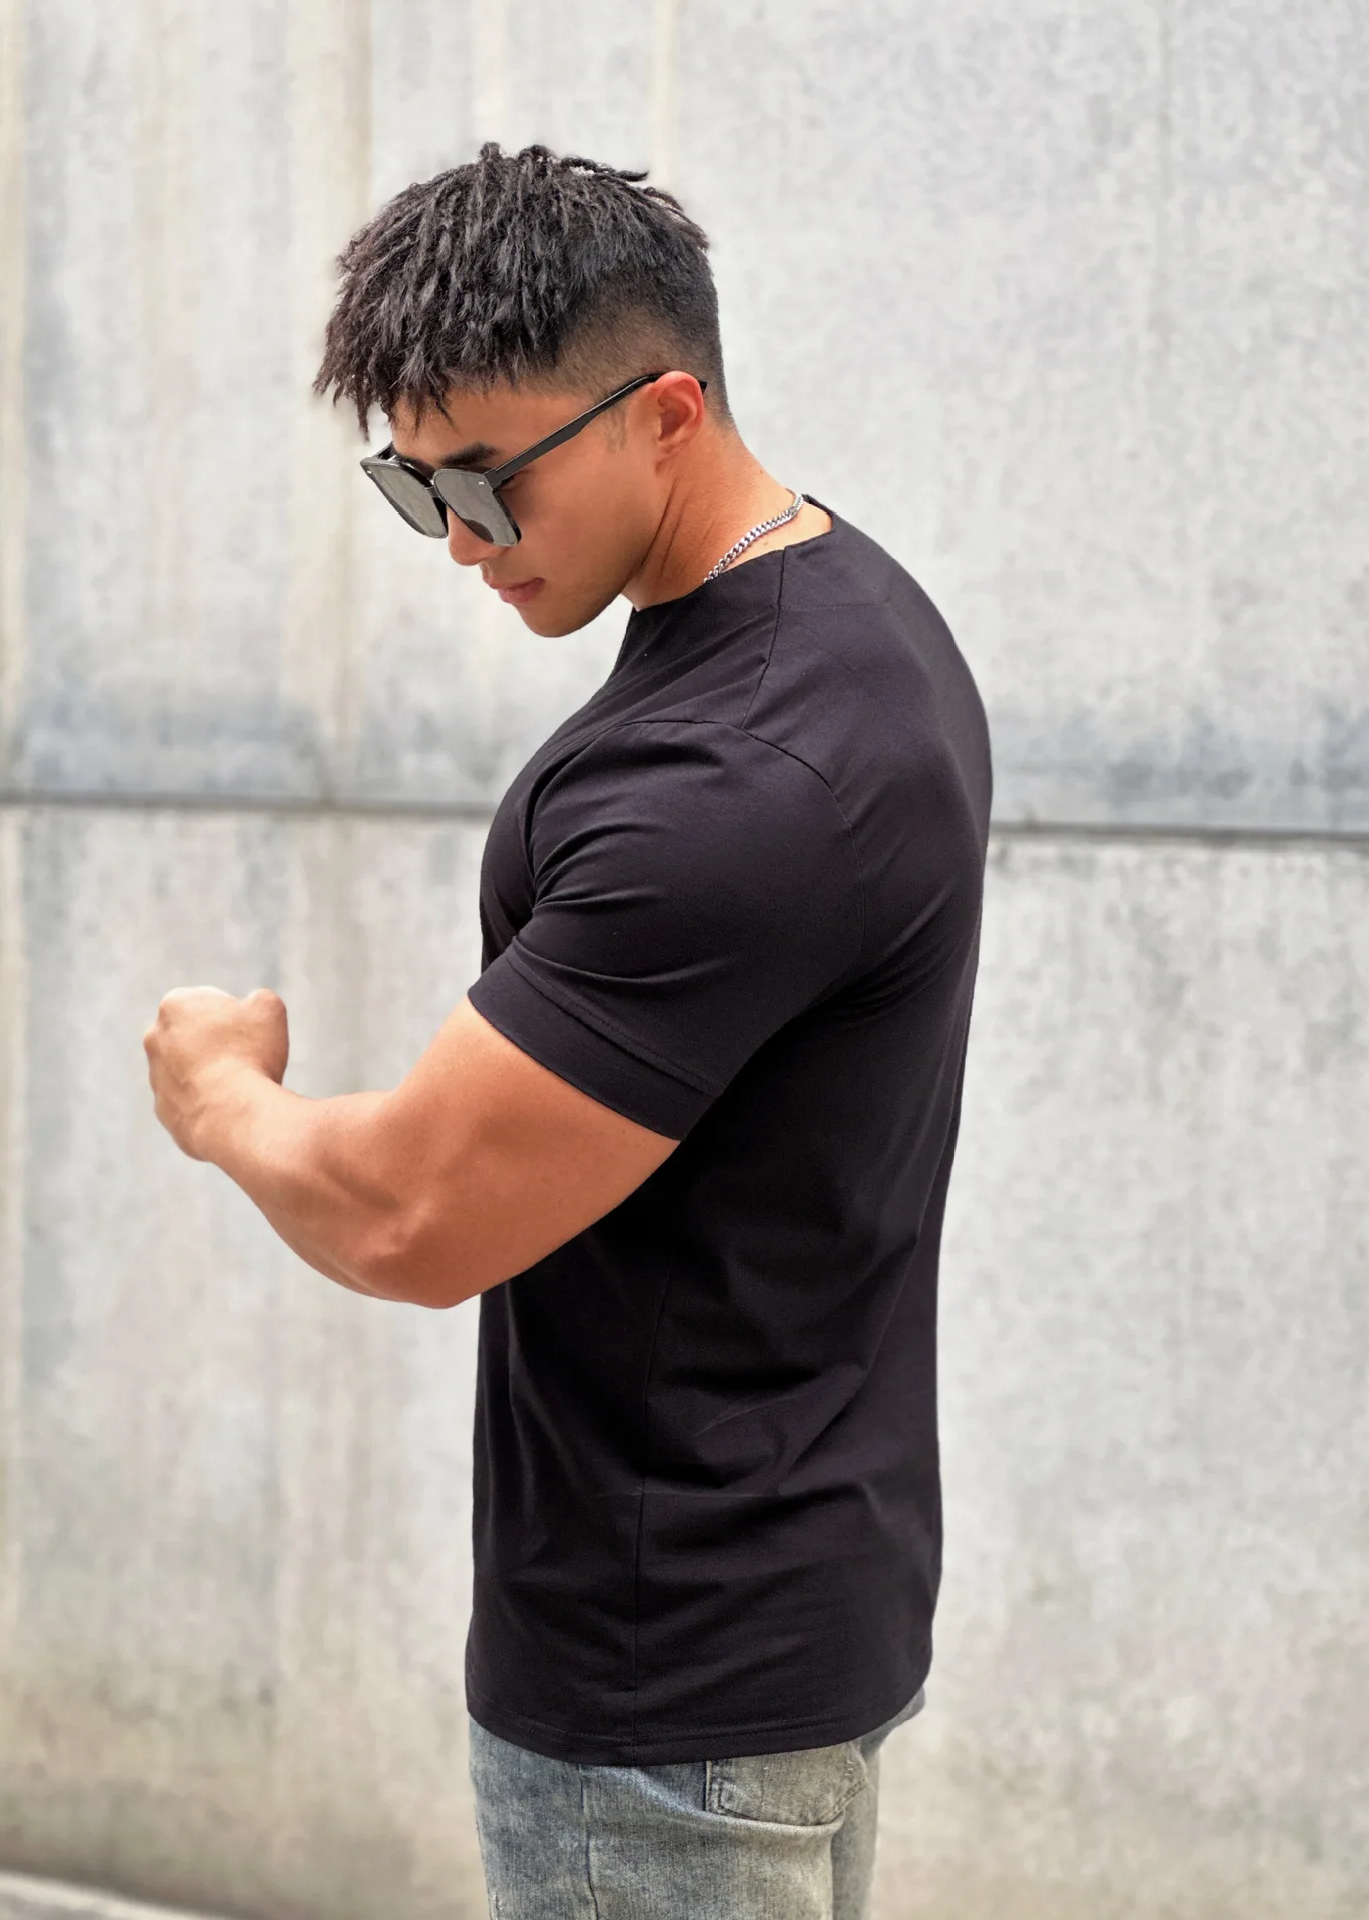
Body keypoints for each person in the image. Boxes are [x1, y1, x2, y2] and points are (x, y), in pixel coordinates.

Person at [143, 143, 991, 1920]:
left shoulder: (731, 780)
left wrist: (222, 1099)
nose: (458, 541)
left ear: (664, 414)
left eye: (486, 483)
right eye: (412, 485)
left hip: (661, 1695)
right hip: (778, 1602)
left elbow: (409, 1215)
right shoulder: (854, 621)